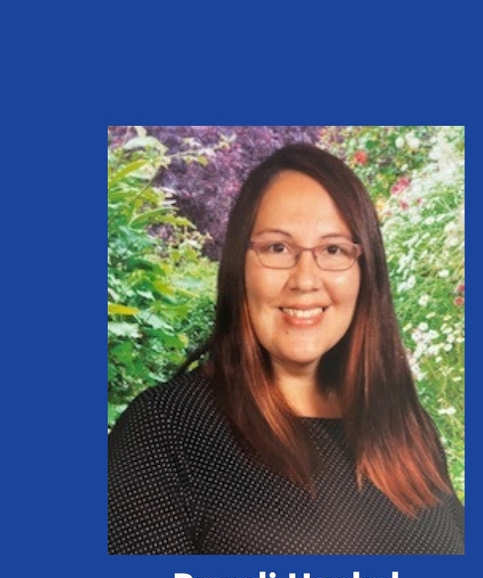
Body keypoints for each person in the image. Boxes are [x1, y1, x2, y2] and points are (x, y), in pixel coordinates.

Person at [109, 144, 464, 554]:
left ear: (365, 274)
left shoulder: (406, 426)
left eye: (333, 250)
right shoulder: (164, 431)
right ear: (239, 268)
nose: (305, 279)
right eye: (278, 248)